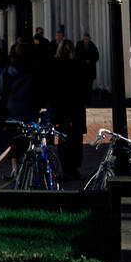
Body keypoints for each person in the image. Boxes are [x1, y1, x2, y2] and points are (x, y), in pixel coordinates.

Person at [1, 43, 39, 178]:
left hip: (13, 107)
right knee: (30, 136)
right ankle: (29, 166)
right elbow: (39, 89)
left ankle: (15, 168)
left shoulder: (9, 70)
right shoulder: (34, 70)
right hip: (30, 107)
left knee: (13, 138)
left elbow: (2, 88)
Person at [52, 40, 88, 181]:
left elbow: (53, 89)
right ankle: (73, 168)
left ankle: (66, 168)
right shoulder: (79, 65)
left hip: (61, 109)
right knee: (76, 140)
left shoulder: (56, 66)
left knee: (63, 140)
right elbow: (84, 87)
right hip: (76, 109)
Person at [76, 33, 99, 103]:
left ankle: (88, 100)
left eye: (88, 39)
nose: (86, 40)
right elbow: (76, 55)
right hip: (81, 69)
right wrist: (82, 60)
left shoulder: (92, 45)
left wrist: (90, 60)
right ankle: (82, 99)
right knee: (82, 85)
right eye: (85, 39)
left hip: (90, 69)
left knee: (89, 86)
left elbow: (96, 56)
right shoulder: (79, 44)